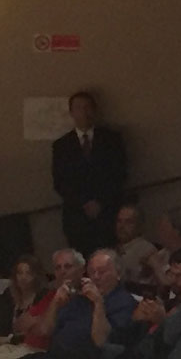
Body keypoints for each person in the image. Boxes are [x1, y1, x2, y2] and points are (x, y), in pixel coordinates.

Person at [50, 91, 129, 264]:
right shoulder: (62, 146)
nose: (84, 112)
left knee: (113, 259)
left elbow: (119, 174)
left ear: (94, 110)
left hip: (108, 210)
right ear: (71, 112)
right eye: (79, 108)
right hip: (77, 216)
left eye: (87, 107)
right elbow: (60, 182)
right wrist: (84, 202)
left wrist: (100, 201)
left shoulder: (111, 139)